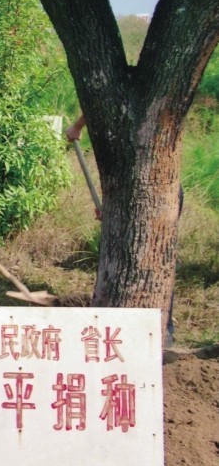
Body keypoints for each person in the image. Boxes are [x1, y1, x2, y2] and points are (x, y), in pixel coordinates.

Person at [65, 113, 182, 344]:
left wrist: (77, 126)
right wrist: (114, 211)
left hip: (158, 190)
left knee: (155, 257)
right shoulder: (115, 102)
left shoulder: (152, 102)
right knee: (125, 254)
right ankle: (114, 325)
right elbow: (98, 97)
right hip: (129, 188)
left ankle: (162, 329)